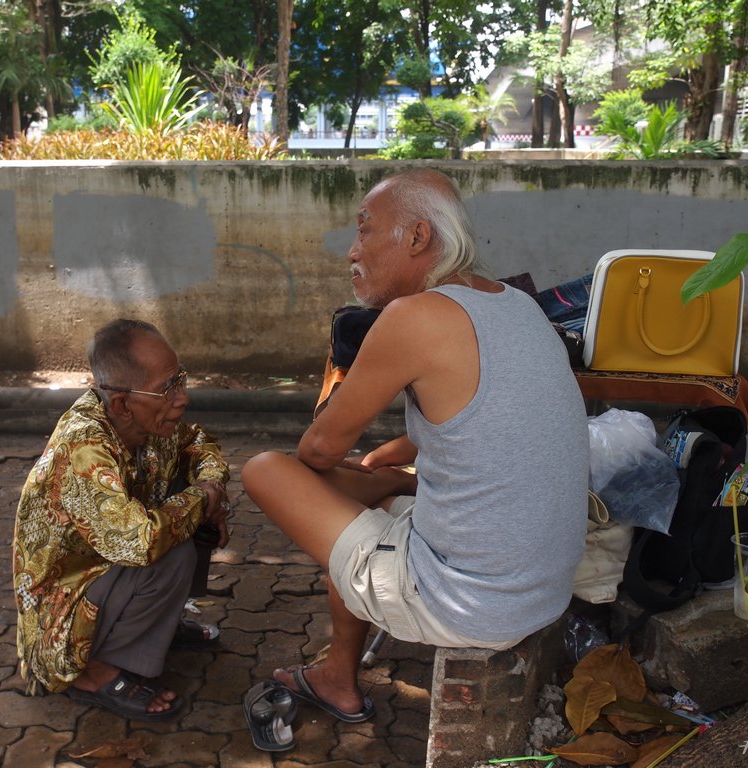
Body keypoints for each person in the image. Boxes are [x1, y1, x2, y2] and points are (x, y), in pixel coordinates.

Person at [242, 169, 589, 723]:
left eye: (364, 231)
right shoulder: (518, 306)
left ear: (418, 238)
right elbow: (480, 417)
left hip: (473, 603)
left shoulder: (414, 316)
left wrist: (356, 396)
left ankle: (340, 667)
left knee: (266, 469)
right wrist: (392, 467)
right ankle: (338, 677)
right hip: (542, 589)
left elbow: (317, 452)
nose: (352, 252)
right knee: (362, 503)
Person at [12, 318, 231, 721]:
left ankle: (156, 627)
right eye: (168, 388)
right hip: (66, 606)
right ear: (122, 404)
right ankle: (93, 673)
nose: (181, 399)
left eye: (179, 380)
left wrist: (210, 485)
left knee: (190, 514)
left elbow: (200, 443)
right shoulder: (84, 449)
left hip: (107, 571)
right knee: (173, 546)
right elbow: (139, 542)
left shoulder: (148, 419)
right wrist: (203, 497)